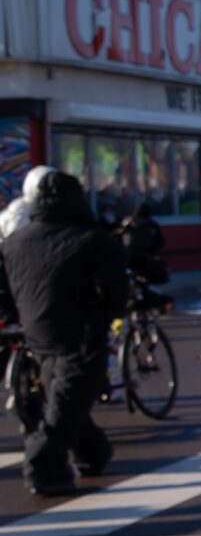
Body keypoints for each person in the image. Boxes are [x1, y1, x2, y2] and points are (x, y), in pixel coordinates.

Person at [0, 170, 129, 495]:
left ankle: (92, 453)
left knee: (66, 399)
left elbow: (4, 293)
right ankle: (44, 468)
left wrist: (20, 317)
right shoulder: (93, 238)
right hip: (81, 334)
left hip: (37, 334)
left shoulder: (15, 242)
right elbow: (117, 292)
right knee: (66, 404)